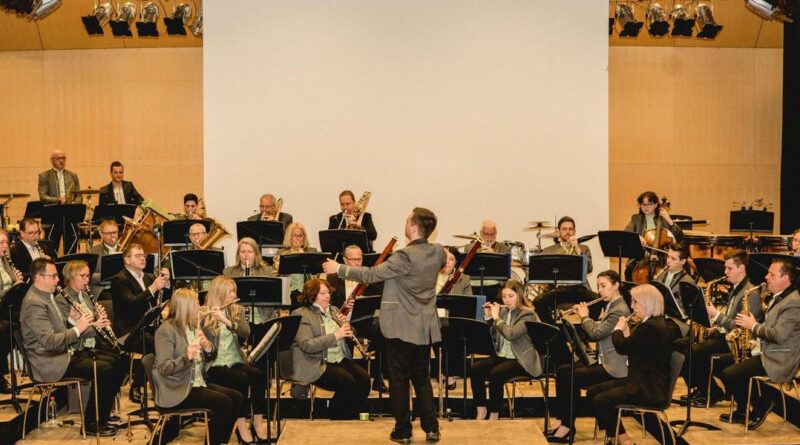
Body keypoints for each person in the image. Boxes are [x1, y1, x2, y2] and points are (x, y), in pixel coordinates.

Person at [322, 207, 444, 443]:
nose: (405, 223)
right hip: (423, 326)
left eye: (407, 220)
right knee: (422, 378)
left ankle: (403, 431)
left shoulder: (404, 256)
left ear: (414, 226)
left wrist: (339, 268)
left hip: (400, 326)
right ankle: (432, 428)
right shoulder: (437, 252)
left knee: (399, 380)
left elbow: (371, 274)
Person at [20, 258, 125, 436]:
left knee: (118, 361)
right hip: (50, 362)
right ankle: (92, 423)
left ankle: (102, 415)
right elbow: (50, 342)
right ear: (39, 278)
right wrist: (79, 327)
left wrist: (71, 320)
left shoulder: (45, 296)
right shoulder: (34, 303)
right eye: (53, 276)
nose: (57, 280)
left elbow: (58, 329)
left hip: (62, 353)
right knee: (105, 369)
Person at [588, 284, 678, 445]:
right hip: (642, 378)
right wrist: (628, 334)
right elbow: (638, 349)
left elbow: (622, 348)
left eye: (635, 302)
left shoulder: (649, 328)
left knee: (601, 400)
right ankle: (613, 437)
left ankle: (624, 441)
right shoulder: (653, 323)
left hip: (647, 387)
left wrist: (617, 330)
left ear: (646, 303)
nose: (632, 306)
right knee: (593, 391)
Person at [548, 270, 630, 442]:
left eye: (603, 286)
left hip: (614, 366)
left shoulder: (619, 309)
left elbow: (596, 334)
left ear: (616, 285)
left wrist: (584, 317)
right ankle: (562, 419)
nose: (600, 291)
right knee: (563, 371)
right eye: (598, 286)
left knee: (571, 376)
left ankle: (568, 426)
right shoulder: (611, 305)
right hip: (603, 359)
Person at [718, 258, 800, 430]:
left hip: (779, 358)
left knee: (729, 374)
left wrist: (753, 326)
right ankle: (742, 409)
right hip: (765, 350)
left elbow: (779, 335)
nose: (766, 277)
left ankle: (762, 403)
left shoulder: (793, 302)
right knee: (721, 363)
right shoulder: (778, 297)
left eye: (772, 274)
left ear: (786, 279)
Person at [153, 288, 242, 445]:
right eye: (196, 304)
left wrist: (208, 347)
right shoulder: (166, 331)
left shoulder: (193, 326)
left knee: (236, 397)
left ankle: (219, 441)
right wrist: (187, 357)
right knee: (224, 403)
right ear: (186, 307)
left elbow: (207, 359)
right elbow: (164, 368)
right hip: (178, 388)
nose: (199, 307)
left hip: (196, 382)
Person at [680, 250, 761, 407]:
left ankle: (710, 392)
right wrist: (716, 326)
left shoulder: (751, 293)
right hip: (725, 335)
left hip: (737, 342)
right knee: (682, 346)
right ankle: (704, 390)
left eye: (729, 268)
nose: (725, 272)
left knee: (693, 352)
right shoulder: (737, 288)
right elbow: (730, 319)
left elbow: (739, 327)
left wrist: (716, 315)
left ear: (741, 269)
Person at [280, 278, 370, 420]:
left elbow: (350, 333)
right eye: (322, 293)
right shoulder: (301, 314)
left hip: (339, 359)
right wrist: (336, 335)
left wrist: (347, 326)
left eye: (328, 292)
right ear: (312, 295)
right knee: (346, 381)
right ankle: (337, 417)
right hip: (315, 362)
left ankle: (349, 417)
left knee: (364, 380)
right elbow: (307, 345)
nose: (328, 296)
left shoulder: (333, 310)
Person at [202, 276, 268, 443]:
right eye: (230, 291)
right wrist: (206, 319)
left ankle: (257, 422)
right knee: (241, 379)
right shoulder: (204, 313)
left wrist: (226, 321)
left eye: (234, 291)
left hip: (235, 360)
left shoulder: (236, 310)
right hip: (214, 364)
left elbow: (246, 332)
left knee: (258, 374)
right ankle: (241, 424)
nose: (233, 295)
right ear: (219, 293)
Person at [471, 280, 542, 421]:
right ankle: (481, 409)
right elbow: (494, 337)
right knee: (475, 368)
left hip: (521, 359)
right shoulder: (503, 311)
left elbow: (511, 334)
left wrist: (496, 317)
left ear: (519, 295)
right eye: (504, 297)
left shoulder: (527, 314)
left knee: (496, 373)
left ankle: (495, 413)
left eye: (511, 296)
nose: (507, 300)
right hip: (503, 355)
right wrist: (489, 318)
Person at [111, 243, 170, 401]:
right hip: (129, 331)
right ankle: (137, 386)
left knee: (169, 340)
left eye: (143, 255)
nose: (143, 258)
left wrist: (166, 283)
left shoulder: (149, 276)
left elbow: (163, 298)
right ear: (127, 260)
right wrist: (152, 288)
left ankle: (166, 385)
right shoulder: (120, 279)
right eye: (138, 256)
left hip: (147, 328)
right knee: (156, 346)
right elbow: (131, 304)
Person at [55, 260, 128, 375]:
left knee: (121, 358)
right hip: (77, 348)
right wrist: (95, 326)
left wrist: (98, 318)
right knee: (111, 366)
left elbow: (92, 323)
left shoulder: (85, 295)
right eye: (83, 276)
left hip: (93, 343)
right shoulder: (61, 300)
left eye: (88, 276)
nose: (87, 280)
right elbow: (68, 332)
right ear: (71, 276)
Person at [533, 216, 597, 325]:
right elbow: (543, 273)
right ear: (558, 232)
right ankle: (554, 331)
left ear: (575, 231)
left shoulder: (583, 248)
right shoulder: (549, 250)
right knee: (538, 302)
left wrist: (577, 250)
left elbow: (589, 269)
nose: (568, 232)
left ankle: (586, 330)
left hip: (578, 288)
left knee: (597, 300)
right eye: (564, 229)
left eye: (570, 229)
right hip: (558, 289)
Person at [623, 191, 683, 280]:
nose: (646, 207)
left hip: (661, 260)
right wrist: (637, 236)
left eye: (649, 204)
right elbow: (627, 233)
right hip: (640, 259)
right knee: (629, 270)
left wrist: (669, 220)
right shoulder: (636, 219)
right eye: (643, 204)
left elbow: (679, 236)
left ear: (655, 205)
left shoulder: (662, 219)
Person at [37, 149, 82, 254]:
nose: (61, 160)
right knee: (52, 248)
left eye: (63, 158)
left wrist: (75, 203)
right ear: (52, 160)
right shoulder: (44, 176)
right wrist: (58, 199)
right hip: (53, 216)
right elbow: (43, 197)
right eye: (58, 158)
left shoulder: (73, 175)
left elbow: (79, 195)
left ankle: (70, 267)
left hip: (69, 215)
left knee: (71, 245)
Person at [223, 237, 277, 322]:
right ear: (238, 255)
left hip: (263, 318)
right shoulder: (228, 273)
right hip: (237, 318)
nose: (246, 255)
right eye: (243, 252)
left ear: (256, 254)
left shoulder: (267, 271)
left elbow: (273, 296)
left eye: (250, 252)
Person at [0, 230, 23, 393]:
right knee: (6, 329)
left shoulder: (5, 261)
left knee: (27, 320)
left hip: (8, 307)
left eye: (6, 242)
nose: (5, 246)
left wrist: (17, 282)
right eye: (1, 243)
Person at [274, 222, 317, 302]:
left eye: (300, 235)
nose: (298, 238)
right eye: (294, 235)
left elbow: (315, 274)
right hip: (289, 291)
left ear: (304, 237)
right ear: (289, 237)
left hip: (306, 292)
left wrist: (302, 255)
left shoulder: (312, 251)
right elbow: (277, 272)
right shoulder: (281, 252)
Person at [652, 242, 696, 309]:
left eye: (673, 259)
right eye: (668, 256)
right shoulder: (661, 275)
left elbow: (687, 310)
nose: (668, 261)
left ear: (683, 261)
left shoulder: (688, 282)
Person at [89, 219, 121, 286]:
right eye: (108, 233)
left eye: (115, 232)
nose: (112, 236)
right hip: (104, 287)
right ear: (101, 234)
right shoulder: (92, 252)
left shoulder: (126, 249)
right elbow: (89, 276)